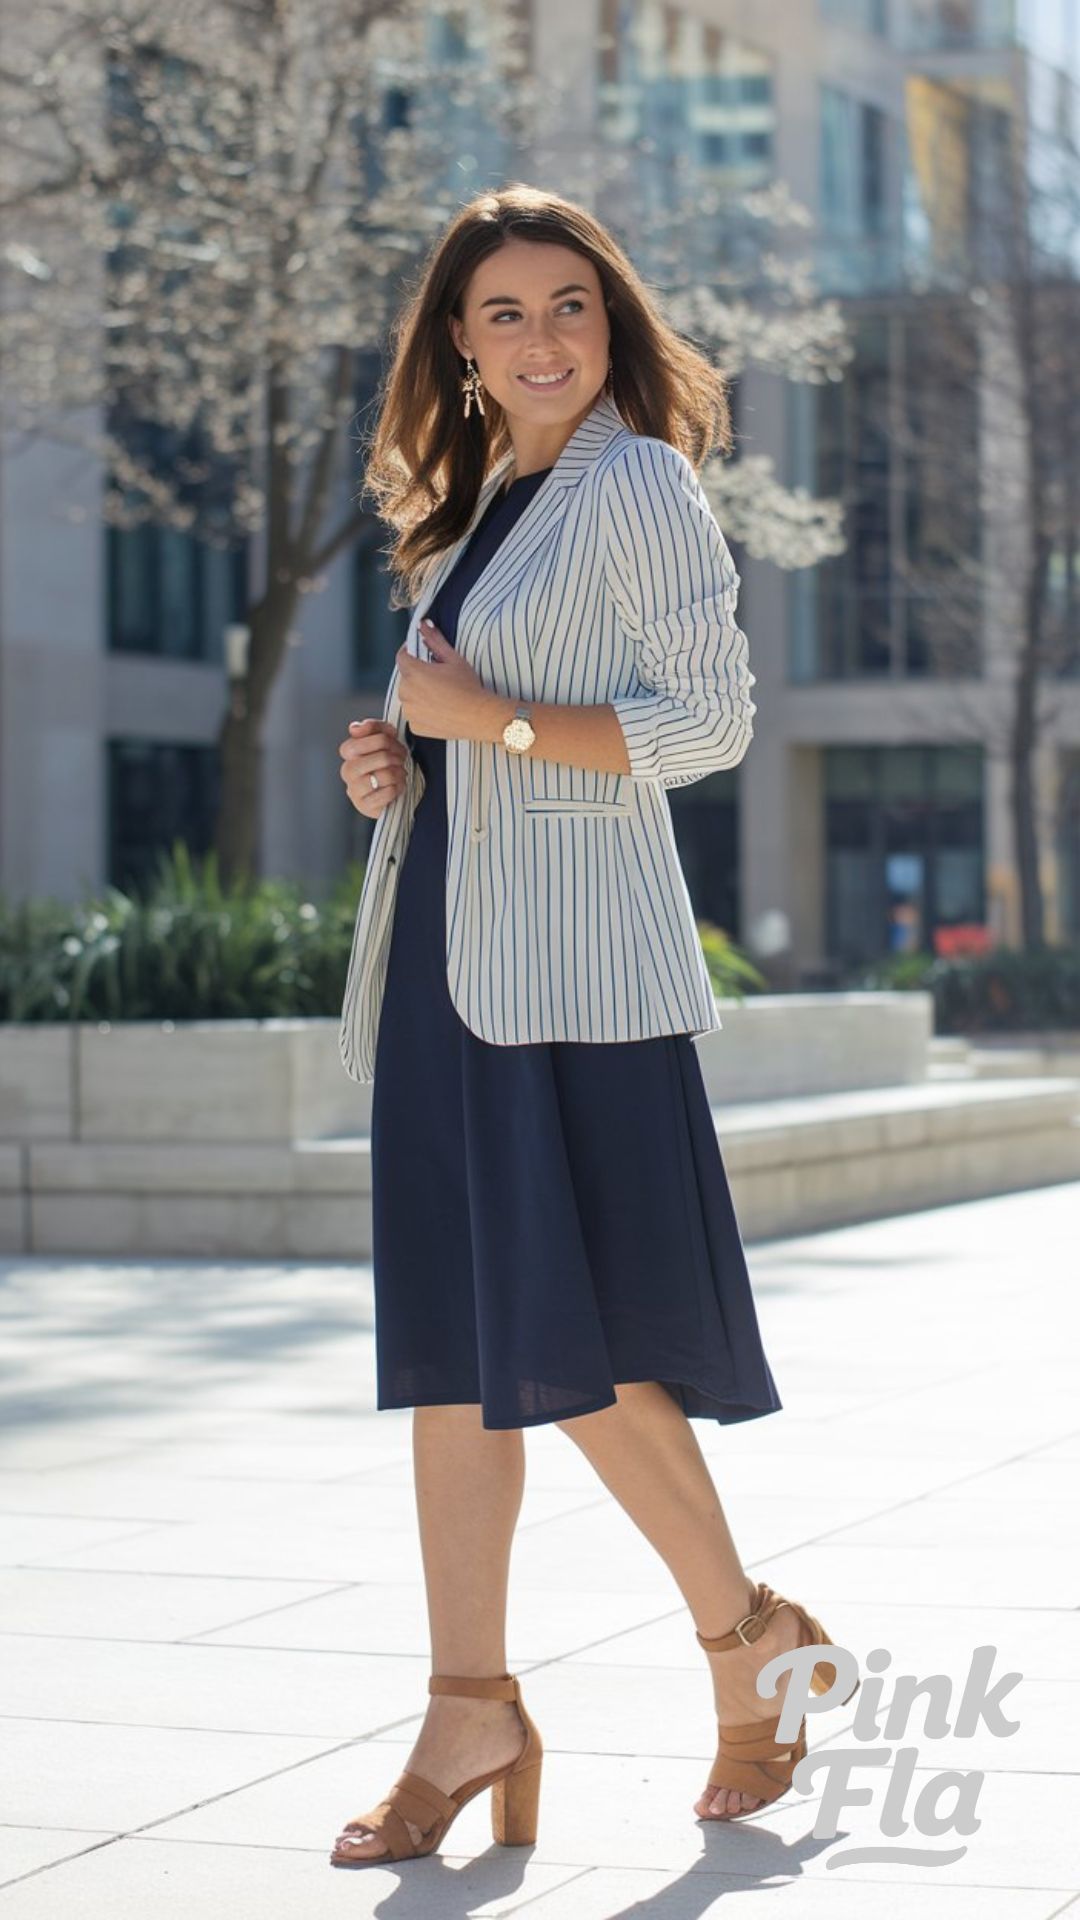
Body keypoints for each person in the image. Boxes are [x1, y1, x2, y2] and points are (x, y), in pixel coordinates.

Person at [331, 185, 855, 1869]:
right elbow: (489, 735)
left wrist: (489, 715)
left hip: (569, 979)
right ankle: (467, 1697)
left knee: (577, 1344)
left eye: (571, 305)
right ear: (461, 349)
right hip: (448, 961)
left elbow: (706, 722)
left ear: (610, 325)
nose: (542, 338)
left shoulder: (633, 479)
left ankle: (742, 1638)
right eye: (504, 314)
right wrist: (403, 762)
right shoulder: (478, 503)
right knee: (462, 1367)